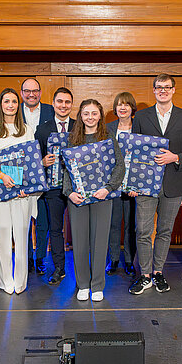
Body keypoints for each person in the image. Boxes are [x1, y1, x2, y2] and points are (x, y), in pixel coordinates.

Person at [129, 74, 182, 295]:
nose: (163, 90)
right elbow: (134, 151)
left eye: (167, 87)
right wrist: (133, 183)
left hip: (173, 184)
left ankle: (158, 272)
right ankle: (145, 275)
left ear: (173, 90)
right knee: (143, 231)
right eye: (159, 87)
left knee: (165, 231)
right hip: (145, 184)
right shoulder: (141, 117)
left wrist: (175, 157)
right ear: (154, 90)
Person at [64, 99, 125, 301]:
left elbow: (120, 166)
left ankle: (97, 286)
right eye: (86, 113)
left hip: (102, 197)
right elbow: (66, 168)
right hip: (78, 198)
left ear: (100, 116)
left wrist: (108, 188)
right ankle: (82, 285)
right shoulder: (73, 138)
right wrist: (69, 192)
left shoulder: (108, 137)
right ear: (80, 116)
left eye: (94, 113)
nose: (90, 117)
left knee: (99, 242)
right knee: (79, 242)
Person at [0, 88, 39, 295]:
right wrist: (1, 176)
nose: (10, 105)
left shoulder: (27, 129)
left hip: (22, 192)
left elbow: (31, 160)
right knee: (3, 233)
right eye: (6, 101)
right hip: (1, 189)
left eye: (14, 101)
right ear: (1, 105)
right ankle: (5, 280)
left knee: (21, 235)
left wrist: (26, 188)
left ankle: (20, 282)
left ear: (18, 105)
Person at [35, 87, 75, 285]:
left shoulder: (79, 126)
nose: (63, 105)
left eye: (67, 102)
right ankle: (59, 268)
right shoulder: (43, 129)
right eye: (60, 101)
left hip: (76, 188)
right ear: (53, 103)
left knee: (78, 229)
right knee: (56, 229)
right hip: (53, 188)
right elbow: (35, 159)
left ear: (72, 105)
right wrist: (42, 162)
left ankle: (82, 268)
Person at [20, 78, 54, 274]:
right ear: (22, 93)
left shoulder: (51, 111)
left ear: (40, 92)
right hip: (22, 176)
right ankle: (26, 258)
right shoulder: (14, 111)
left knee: (42, 221)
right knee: (23, 220)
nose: (31, 94)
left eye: (34, 91)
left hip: (47, 174)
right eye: (27, 91)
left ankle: (40, 257)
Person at [106, 92, 138, 276]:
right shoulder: (108, 128)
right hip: (113, 183)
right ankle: (113, 259)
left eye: (126, 104)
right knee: (114, 223)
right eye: (119, 104)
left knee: (131, 225)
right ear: (115, 108)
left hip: (133, 184)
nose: (123, 108)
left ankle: (129, 261)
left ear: (132, 108)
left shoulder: (139, 127)